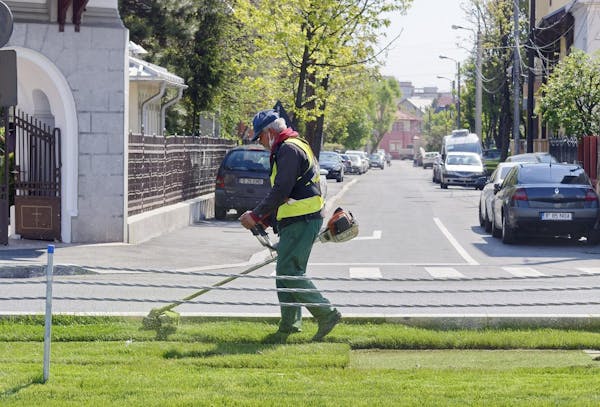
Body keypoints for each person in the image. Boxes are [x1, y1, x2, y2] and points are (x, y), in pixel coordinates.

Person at [239, 109, 341, 342]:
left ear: (269, 132)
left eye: (260, 137)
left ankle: (326, 313)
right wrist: (265, 218)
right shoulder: (295, 145)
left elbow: (282, 190)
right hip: (300, 218)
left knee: (290, 272)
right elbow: (290, 192)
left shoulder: (288, 150)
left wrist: (256, 215)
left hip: (301, 219)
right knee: (285, 274)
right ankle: (289, 326)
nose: (261, 143)